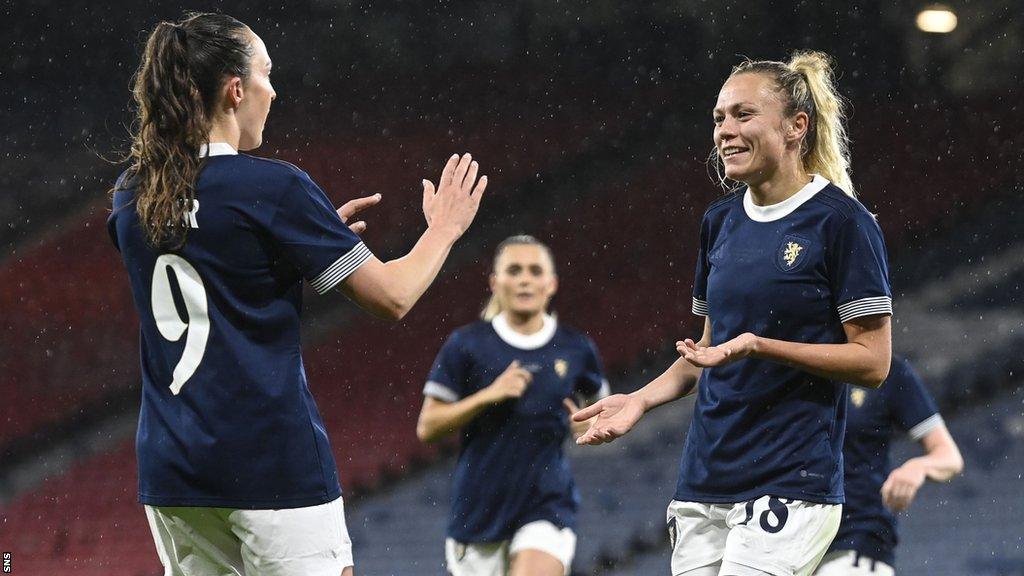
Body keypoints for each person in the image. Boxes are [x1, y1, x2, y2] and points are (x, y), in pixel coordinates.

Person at [107, 12, 487, 576]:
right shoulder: (274, 188)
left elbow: (210, 258)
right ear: (236, 91)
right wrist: (443, 231)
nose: (273, 89)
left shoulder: (132, 193)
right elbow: (393, 297)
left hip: (173, 468)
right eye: (265, 74)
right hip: (268, 460)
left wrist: (302, 240)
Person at [573, 51, 893, 576]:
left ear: (797, 127)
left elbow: (873, 362)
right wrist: (640, 400)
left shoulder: (842, 223)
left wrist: (761, 345)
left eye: (743, 115)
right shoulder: (719, 222)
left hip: (792, 482)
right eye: (719, 118)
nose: (724, 131)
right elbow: (708, 351)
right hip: (705, 480)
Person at [415, 235, 609, 576]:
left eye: (535, 271)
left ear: (551, 284)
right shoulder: (466, 345)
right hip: (477, 511)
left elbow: (605, 414)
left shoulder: (576, 348)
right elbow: (428, 427)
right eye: (514, 270)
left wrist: (591, 426)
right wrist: (488, 395)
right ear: (494, 282)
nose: (524, 279)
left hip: (547, 504)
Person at [814, 356, 964, 575]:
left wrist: (917, 467)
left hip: (852, 547)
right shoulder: (788, 363)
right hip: (785, 542)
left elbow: (949, 456)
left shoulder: (889, 372)